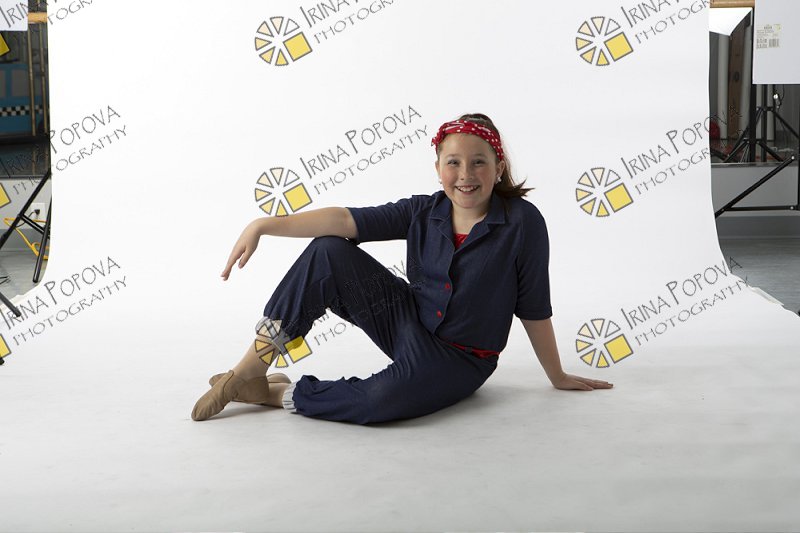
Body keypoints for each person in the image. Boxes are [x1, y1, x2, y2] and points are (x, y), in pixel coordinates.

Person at [191, 113, 613, 424]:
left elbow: (534, 307)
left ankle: (278, 395)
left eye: (479, 162)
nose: (465, 174)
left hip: (460, 360)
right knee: (328, 251)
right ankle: (250, 369)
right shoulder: (423, 211)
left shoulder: (523, 222)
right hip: (407, 323)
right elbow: (344, 220)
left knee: (378, 402)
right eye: (453, 162)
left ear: (499, 167)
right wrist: (263, 225)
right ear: (438, 168)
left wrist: (556, 375)